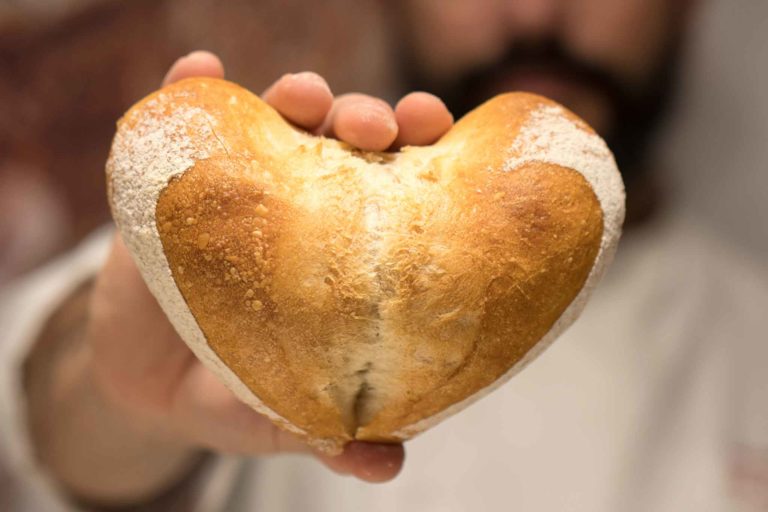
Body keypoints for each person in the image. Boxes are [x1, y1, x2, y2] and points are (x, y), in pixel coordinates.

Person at [2, 1, 768, 510]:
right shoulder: (217, 235)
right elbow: (46, 417)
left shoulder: (751, 336)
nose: (535, 12)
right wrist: (115, 393)